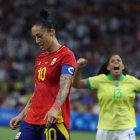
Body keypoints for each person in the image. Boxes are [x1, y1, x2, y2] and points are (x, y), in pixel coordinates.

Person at [9, 9, 76, 140]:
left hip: (53, 120)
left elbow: (65, 85)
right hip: (31, 120)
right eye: (34, 37)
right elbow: (37, 91)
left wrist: (55, 108)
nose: (37, 40)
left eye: (39, 35)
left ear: (52, 32)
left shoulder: (66, 55)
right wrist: (21, 115)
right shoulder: (40, 59)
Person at [73, 54, 140, 140]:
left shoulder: (132, 82)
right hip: (104, 130)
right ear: (108, 67)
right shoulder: (100, 80)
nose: (116, 62)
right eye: (112, 61)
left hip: (126, 129)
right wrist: (78, 68)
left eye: (118, 60)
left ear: (122, 66)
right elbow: (76, 84)